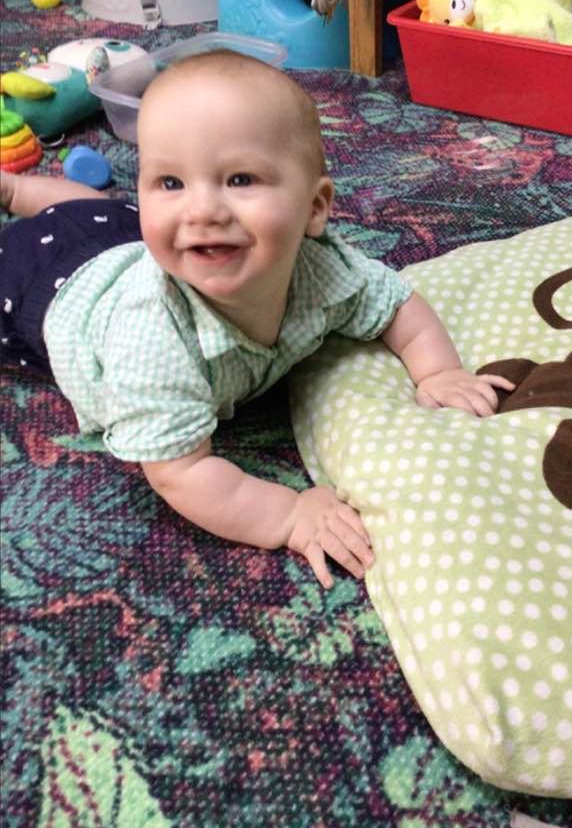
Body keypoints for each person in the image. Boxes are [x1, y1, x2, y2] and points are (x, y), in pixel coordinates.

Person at [0, 50, 514, 589]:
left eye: (239, 179)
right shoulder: (151, 340)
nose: (201, 210)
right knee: (80, 221)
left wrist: (436, 371)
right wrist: (288, 515)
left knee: (97, 215)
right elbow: (181, 473)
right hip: (39, 286)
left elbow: (398, 307)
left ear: (315, 209)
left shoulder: (323, 269)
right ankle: (14, 190)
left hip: (119, 238)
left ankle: (27, 193)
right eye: (170, 183)